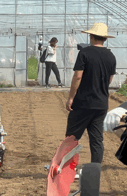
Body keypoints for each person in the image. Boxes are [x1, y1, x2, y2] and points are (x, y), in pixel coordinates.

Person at [65, 23, 116, 164]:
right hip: (101, 105)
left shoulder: (85, 53)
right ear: (104, 38)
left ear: (92, 36)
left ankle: (68, 169)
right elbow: (109, 79)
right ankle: (95, 171)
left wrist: (71, 98)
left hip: (83, 103)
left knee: (72, 138)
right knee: (97, 140)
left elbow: (78, 77)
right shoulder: (111, 56)